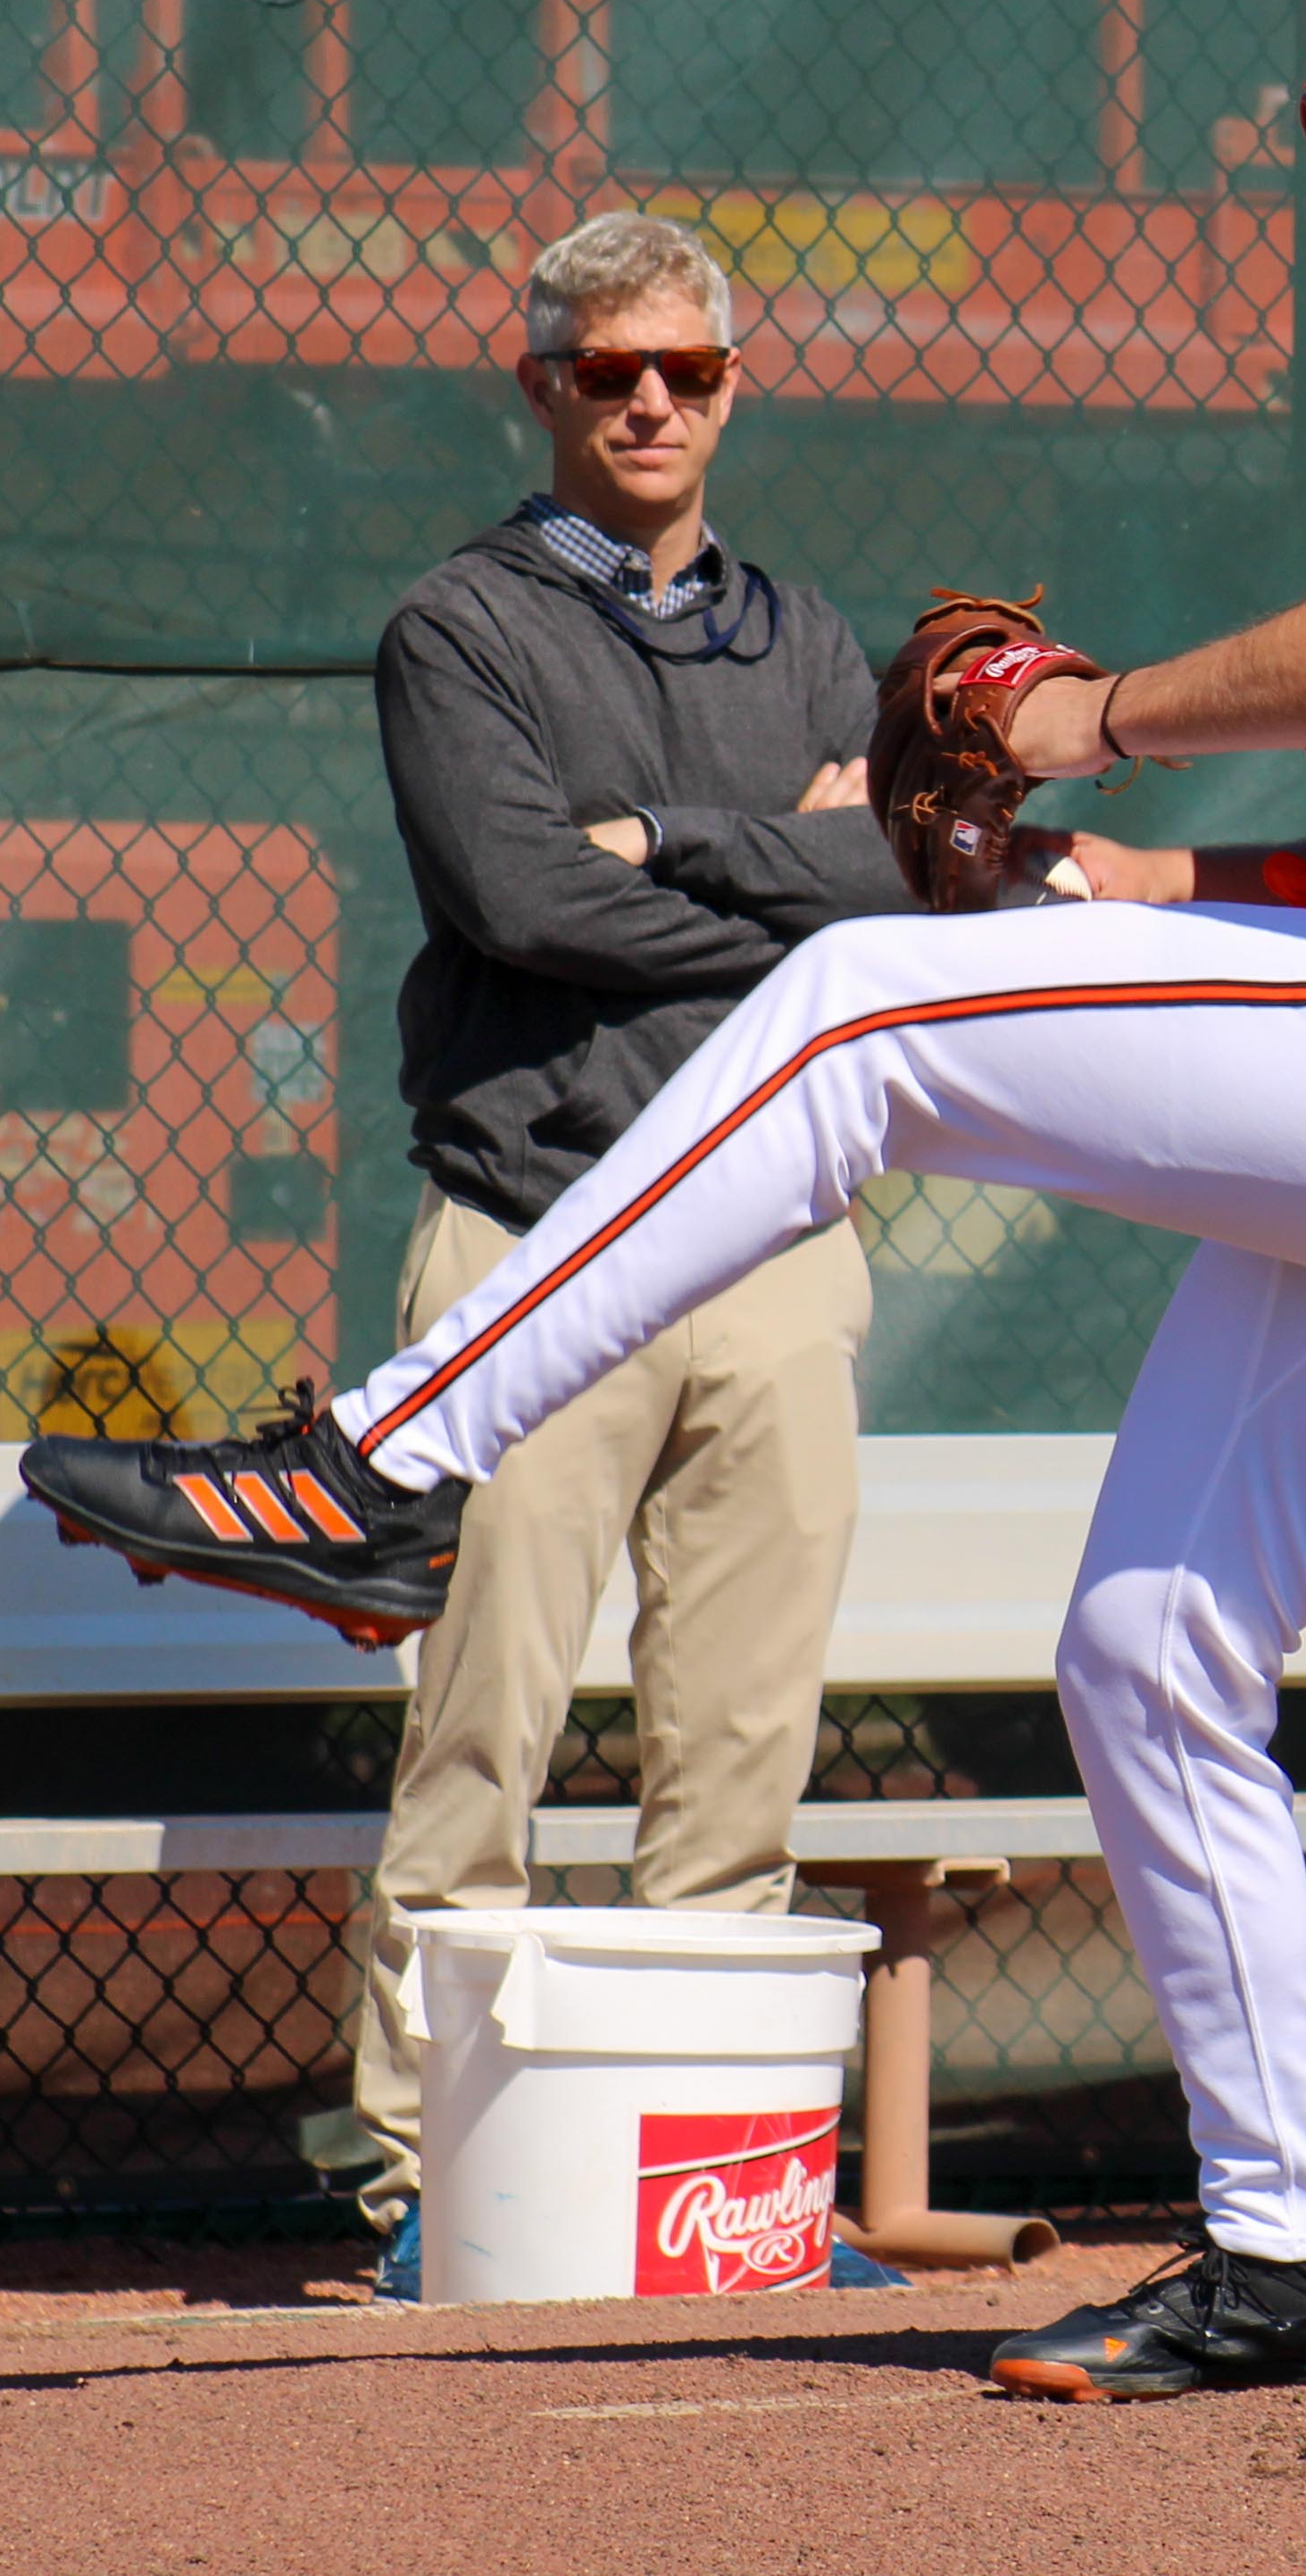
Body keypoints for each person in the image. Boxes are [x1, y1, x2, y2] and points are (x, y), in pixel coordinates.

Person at [22, 0, 1306, 2397]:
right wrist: (1138, 880)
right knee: (1150, 1645)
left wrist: (1090, 716)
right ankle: (1289, 2253)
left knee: (853, 1009)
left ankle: (386, 1460)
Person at [345, 210, 908, 2301]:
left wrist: (673, 848)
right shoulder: (460, 626)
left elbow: (906, 888)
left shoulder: (809, 637)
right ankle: (422, 2191)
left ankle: (720, 2193)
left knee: (740, 1755)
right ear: (545, 389)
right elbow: (520, 904)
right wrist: (795, 900)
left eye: (687, 368)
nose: (651, 400)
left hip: (774, 1239)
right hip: (536, 1232)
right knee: (476, 1742)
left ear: (734, 387)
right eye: (609, 370)